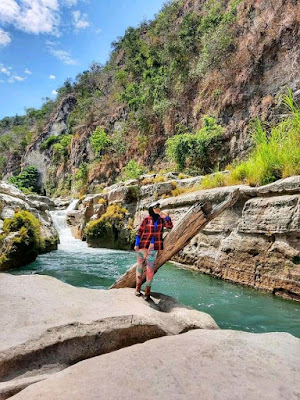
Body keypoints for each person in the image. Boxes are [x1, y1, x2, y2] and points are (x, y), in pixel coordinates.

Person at [134, 202, 173, 300]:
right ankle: (138, 288)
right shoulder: (146, 219)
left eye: (159, 207)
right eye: (156, 207)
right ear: (151, 209)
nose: (158, 209)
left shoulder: (161, 219)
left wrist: (166, 216)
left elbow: (170, 226)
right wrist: (136, 244)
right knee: (139, 267)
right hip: (143, 246)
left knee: (150, 269)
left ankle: (147, 291)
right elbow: (139, 232)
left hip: (154, 247)